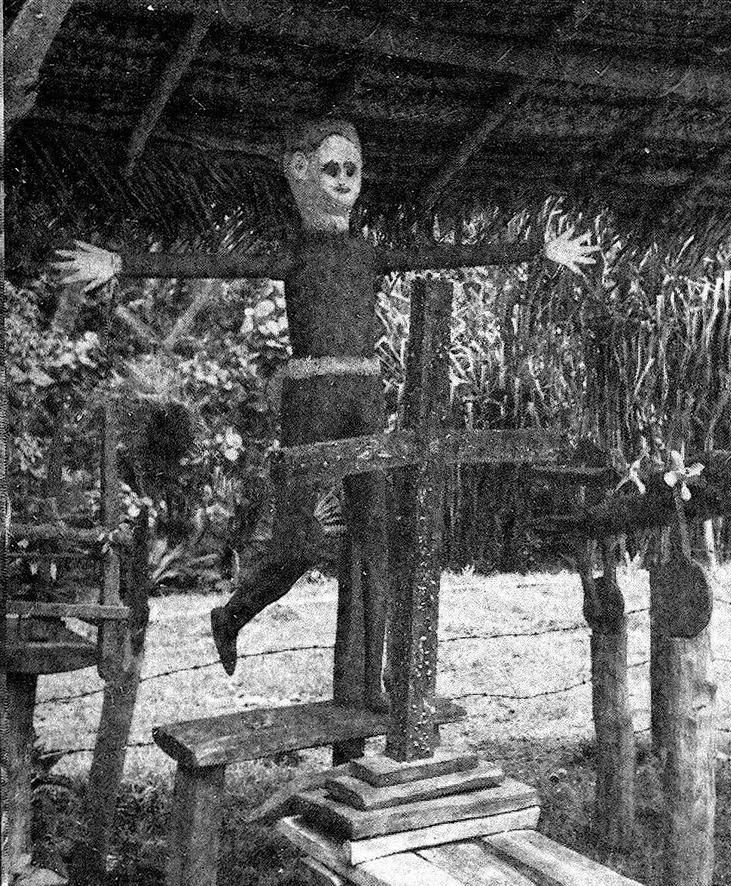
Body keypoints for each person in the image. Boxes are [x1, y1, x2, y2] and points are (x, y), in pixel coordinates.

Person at [55, 119, 598, 709]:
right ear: (299, 172)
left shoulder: (366, 251)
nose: (342, 183)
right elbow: (210, 262)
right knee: (294, 542)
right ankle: (232, 614)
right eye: (330, 169)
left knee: (375, 538)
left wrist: (537, 250)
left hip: (364, 395)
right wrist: (122, 264)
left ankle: (376, 685)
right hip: (310, 397)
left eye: (351, 171)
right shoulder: (296, 253)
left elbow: (446, 251)